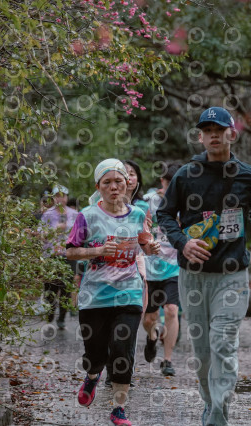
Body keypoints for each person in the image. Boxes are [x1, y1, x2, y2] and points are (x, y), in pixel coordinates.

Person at [157, 107, 251, 426]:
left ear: (231, 134)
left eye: (219, 130)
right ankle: (211, 403)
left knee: (223, 343)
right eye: (207, 131)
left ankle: (218, 415)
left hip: (232, 275)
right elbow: (164, 214)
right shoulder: (186, 175)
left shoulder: (248, 175)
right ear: (200, 137)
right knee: (203, 351)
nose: (213, 135)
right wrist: (183, 242)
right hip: (193, 276)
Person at [66, 159, 159, 426]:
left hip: (129, 293)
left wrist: (151, 248)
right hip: (94, 297)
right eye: (107, 182)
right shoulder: (87, 216)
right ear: (98, 187)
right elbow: (70, 251)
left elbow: (145, 241)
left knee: (122, 349)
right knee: (95, 354)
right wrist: (97, 250)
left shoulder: (137, 215)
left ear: (127, 184)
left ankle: (119, 409)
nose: (114, 186)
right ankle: (92, 375)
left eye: (118, 181)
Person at [103, 159, 150, 388]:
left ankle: (123, 372)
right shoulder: (100, 204)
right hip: (106, 268)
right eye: (125, 173)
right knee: (109, 321)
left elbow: (147, 239)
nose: (128, 178)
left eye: (132, 174)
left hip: (135, 264)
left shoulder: (142, 208)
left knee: (129, 320)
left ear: (136, 180)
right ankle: (109, 369)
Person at [142, 163, 182, 376]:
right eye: (169, 183)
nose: (171, 188)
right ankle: (152, 337)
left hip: (174, 267)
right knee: (149, 319)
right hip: (150, 267)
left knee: (171, 310)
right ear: (162, 182)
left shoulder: (186, 203)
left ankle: (167, 360)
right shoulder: (148, 201)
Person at [40, 183, 79, 329]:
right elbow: (41, 235)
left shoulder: (74, 214)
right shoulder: (48, 214)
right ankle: (50, 312)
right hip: (51, 256)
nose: (61, 199)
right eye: (57, 196)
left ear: (67, 197)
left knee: (66, 287)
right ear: (53, 198)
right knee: (50, 287)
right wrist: (55, 229)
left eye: (63, 196)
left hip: (68, 255)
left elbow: (80, 234)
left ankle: (62, 318)